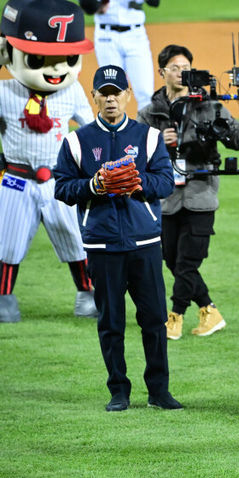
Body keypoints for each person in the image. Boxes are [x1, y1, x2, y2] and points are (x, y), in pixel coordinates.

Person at [53, 65, 179, 411]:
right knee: (111, 323)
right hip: (102, 244)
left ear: (128, 95)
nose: (110, 98)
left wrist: (138, 184)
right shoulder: (77, 141)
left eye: (116, 92)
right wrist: (93, 186)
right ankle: (118, 392)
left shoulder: (149, 137)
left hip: (145, 242)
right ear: (93, 97)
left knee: (154, 318)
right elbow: (62, 187)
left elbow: (166, 182)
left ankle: (158, 391)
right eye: (103, 93)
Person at [138, 44, 239, 341]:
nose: (182, 72)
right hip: (167, 198)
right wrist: (159, 142)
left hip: (200, 195)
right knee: (171, 259)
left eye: (186, 67)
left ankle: (175, 317)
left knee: (187, 263)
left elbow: (234, 135)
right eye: (175, 67)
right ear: (162, 72)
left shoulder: (210, 106)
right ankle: (210, 311)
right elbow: (136, 153)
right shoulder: (148, 114)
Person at [0, 0, 98, 323]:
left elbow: (93, 131)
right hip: (16, 179)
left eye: (69, 58)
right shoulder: (4, 92)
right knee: (7, 243)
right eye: (39, 58)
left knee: (75, 239)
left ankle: (88, 294)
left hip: (58, 181)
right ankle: (4, 299)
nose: (57, 69)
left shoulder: (72, 93)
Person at [78, 0, 159, 110]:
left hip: (136, 36)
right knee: (111, 90)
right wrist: (97, 4)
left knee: (145, 92)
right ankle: (114, 126)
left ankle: (146, 126)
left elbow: (154, 3)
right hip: (106, 37)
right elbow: (87, 6)